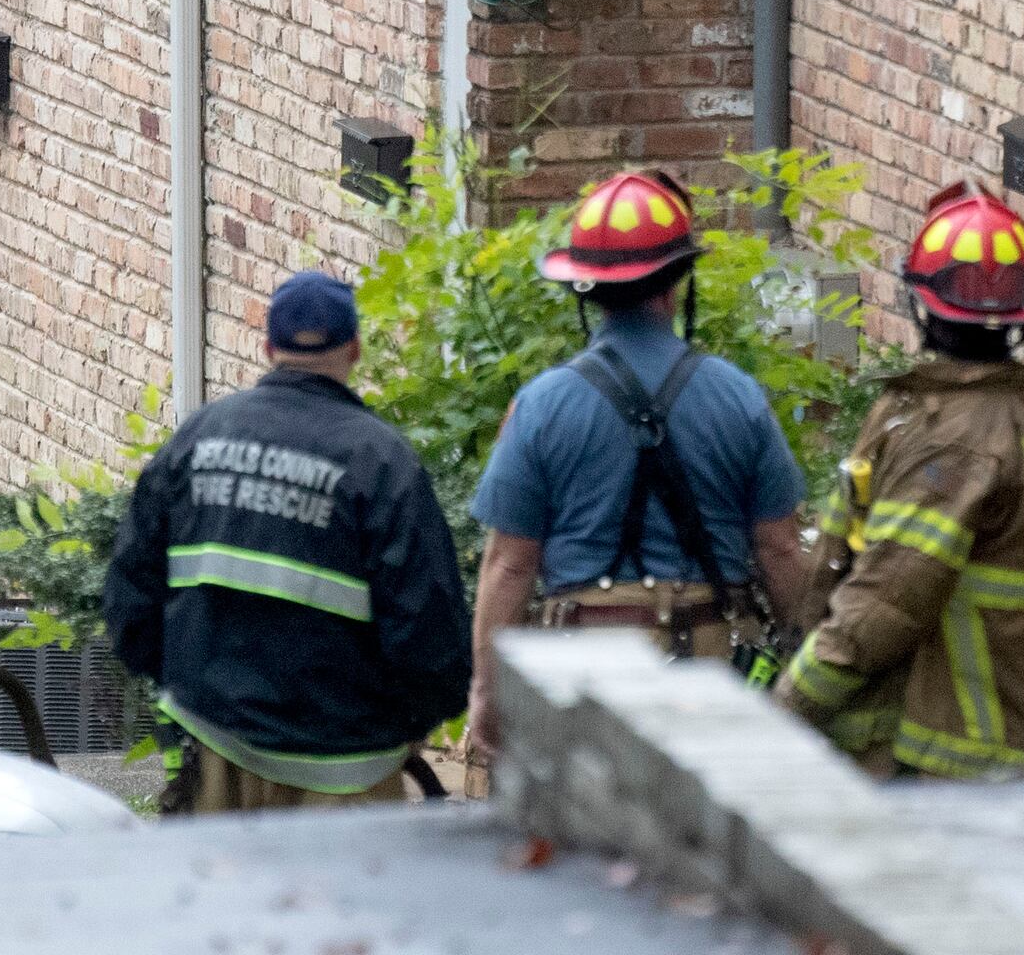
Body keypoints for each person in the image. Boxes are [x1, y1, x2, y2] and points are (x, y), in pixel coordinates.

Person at [771, 180, 1024, 779]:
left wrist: (779, 715)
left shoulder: (951, 440)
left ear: (922, 306)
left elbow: (881, 606)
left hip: (945, 762)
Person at [104, 270, 471, 813]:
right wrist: (410, 726)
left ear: (268, 346)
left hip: (219, 756)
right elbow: (428, 632)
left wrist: (188, 689)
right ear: (354, 349)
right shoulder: (382, 462)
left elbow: (131, 599)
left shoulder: (198, 437)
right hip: (346, 777)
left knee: (226, 899)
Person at [466, 168, 812, 742]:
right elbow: (778, 548)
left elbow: (510, 563)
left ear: (585, 288)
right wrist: (807, 675)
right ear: (677, 281)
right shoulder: (739, 397)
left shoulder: (540, 406)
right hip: (712, 676)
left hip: (584, 677)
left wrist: (486, 695)